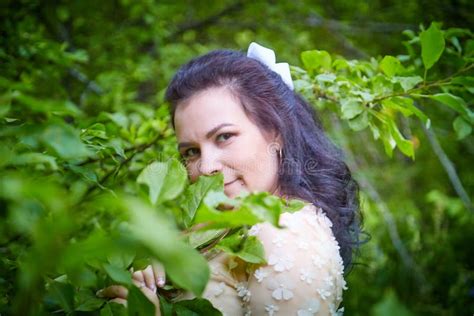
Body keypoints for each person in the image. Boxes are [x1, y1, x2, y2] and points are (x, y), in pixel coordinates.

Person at [101, 42, 362, 315]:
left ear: (276, 132)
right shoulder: (215, 229)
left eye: (224, 137)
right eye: (191, 151)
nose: (206, 167)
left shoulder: (285, 233)